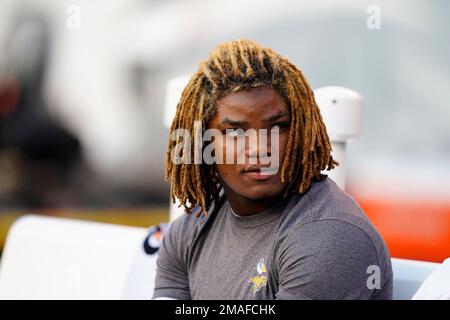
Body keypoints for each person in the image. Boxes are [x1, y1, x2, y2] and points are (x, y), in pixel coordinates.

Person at [153, 39, 393, 300]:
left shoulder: (330, 236)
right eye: (235, 131)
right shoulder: (188, 232)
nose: (259, 148)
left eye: (277, 126)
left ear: (301, 130)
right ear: (203, 142)